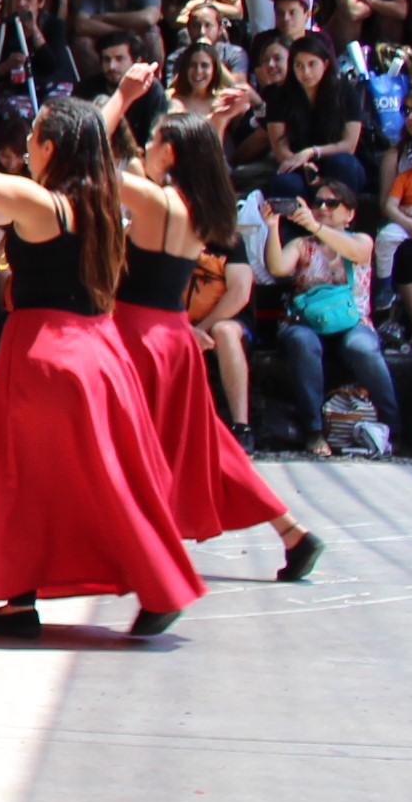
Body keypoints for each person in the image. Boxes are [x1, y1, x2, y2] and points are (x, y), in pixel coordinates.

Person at [0, 96, 200, 637]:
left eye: (32, 137)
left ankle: (64, 595)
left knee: (21, 478)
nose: (26, 145)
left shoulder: (39, 203)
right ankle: (42, 599)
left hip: (48, 357)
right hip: (92, 354)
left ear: (50, 148)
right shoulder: (90, 202)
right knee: (86, 481)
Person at [116, 100, 323, 576]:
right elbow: (193, 155)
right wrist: (213, 123)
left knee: (139, 448)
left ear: (169, 153)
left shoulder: (165, 202)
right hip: (168, 336)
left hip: (146, 339)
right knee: (209, 447)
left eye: (154, 142)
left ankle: (150, 555)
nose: (145, 148)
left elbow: (89, 168)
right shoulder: (198, 199)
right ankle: (293, 532)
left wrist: (118, 102)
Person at [260, 177, 397, 450]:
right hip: (306, 322)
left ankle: (395, 426)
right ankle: (313, 431)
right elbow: (277, 268)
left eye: (332, 203)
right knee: (302, 342)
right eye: (318, 202)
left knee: (363, 348)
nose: (323, 207)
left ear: (350, 213)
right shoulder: (301, 244)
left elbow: (356, 252)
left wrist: (316, 226)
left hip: (352, 321)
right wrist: (273, 227)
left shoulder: (361, 239)